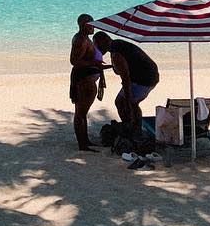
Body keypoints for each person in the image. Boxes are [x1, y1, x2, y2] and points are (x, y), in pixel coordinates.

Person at [95, 33, 160, 128]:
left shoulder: (116, 54)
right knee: (128, 103)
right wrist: (109, 66)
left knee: (124, 103)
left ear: (104, 41)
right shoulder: (117, 43)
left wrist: (128, 100)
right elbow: (128, 63)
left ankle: (131, 127)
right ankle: (134, 127)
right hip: (151, 74)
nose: (96, 48)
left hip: (144, 79)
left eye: (97, 45)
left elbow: (125, 78)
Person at [68, 15, 104, 151]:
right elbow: (74, 61)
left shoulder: (85, 39)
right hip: (84, 80)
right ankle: (82, 144)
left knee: (83, 112)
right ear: (83, 25)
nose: (93, 26)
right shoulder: (80, 39)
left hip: (87, 79)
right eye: (91, 24)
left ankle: (85, 140)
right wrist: (95, 63)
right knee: (80, 113)